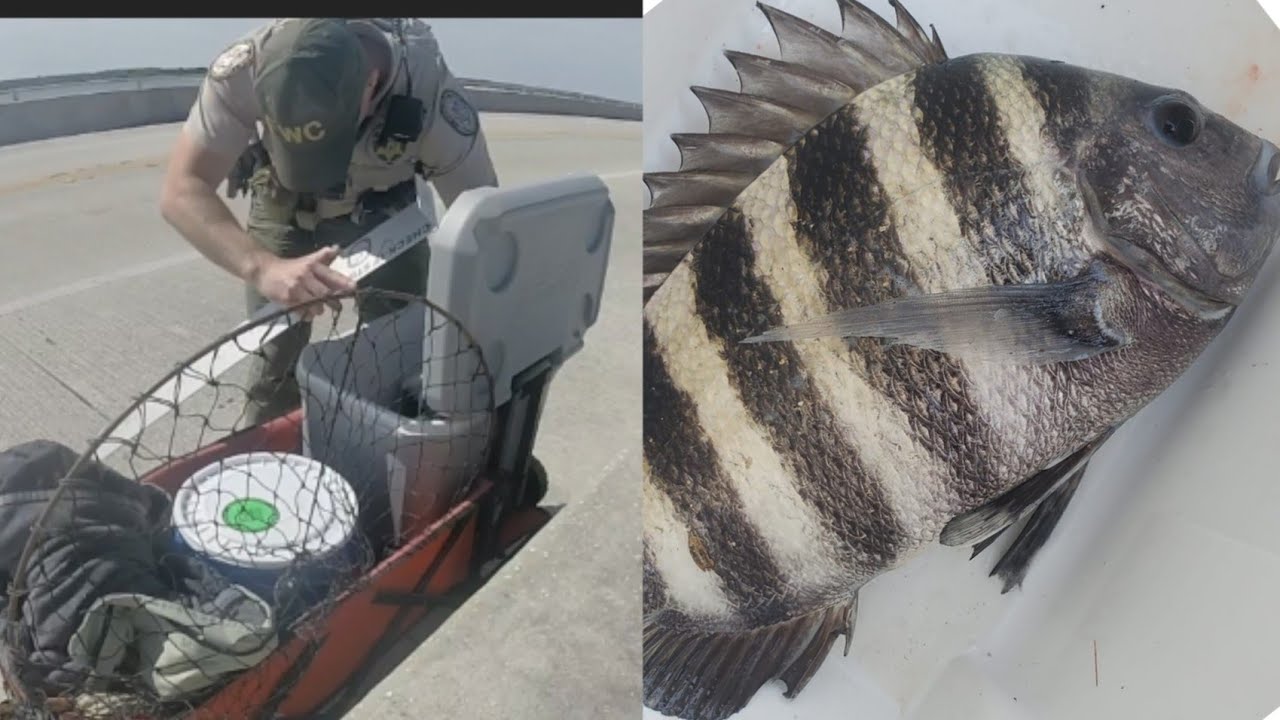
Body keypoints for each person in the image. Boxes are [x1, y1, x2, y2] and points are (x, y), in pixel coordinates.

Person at [159, 17, 498, 426]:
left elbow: (486, 223)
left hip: (382, 213)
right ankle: (271, 450)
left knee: (399, 355)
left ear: (371, 85)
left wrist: (464, 327)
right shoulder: (245, 70)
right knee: (272, 355)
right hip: (282, 202)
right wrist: (262, 267)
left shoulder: (431, 98)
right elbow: (182, 190)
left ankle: (382, 448)